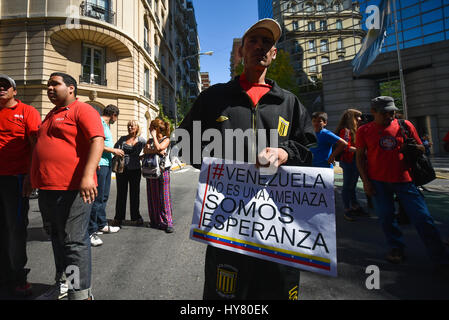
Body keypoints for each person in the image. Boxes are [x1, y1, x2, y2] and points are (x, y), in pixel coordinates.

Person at [179, 19, 316, 300]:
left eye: (267, 42)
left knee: (277, 291)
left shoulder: (289, 102)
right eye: (253, 41)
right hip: (227, 223)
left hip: (278, 224)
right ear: (242, 52)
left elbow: (309, 149)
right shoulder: (214, 97)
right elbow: (184, 145)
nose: (260, 47)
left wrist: (286, 152)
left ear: (274, 54)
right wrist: (220, 165)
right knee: (227, 295)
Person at [31, 72, 105, 300]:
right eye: (48, 85)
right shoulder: (51, 115)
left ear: (71, 88)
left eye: (55, 84)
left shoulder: (82, 110)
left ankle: (79, 293)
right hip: (47, 189)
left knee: (74, 242)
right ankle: (63, 283)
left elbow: (97, 140)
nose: (49, 88)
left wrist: (87, 175)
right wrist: (30, 178)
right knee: (57, 238)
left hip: (73, 189)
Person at [356, 96, 449, 269]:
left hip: (405, 181)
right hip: (378, 183)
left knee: (423, 218)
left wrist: (415, 147)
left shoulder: (405, 125)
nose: (390, 116)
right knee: (386, 218)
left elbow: (422, 148)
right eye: (385, 113)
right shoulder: (364, 131)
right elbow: (360, 157)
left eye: (392, 112)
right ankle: (396, 247)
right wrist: (366, 182)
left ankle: (440, 256)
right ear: (373, 112)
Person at [0, 74, 41, 297]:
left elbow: (36, 145)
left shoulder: (27, 112)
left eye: (6, 86)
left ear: (15, 91)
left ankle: (18, 276)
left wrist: (30, 176)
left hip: (15, 179)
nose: (1, 89)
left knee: (15, 229)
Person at [88, 104, 123, 247]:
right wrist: (113, 150)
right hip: (100, 163)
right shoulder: (100, 122)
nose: (116, 119)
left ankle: (101, 224)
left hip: (107, 163)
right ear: (113, 115)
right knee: (97, 197)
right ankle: (92, 228)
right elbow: (96, 143)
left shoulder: (106, 125)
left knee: (103, 196)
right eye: (116, 117)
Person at [335, 108, 367, 221]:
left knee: (352, 185)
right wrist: (361, 150)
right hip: (348, 161)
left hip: (355, 160)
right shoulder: (346, 131)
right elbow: (346, 147)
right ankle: (347, 208)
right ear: (351, 118)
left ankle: (354, 205)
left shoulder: (356, 130)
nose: (360, 119)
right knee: (348, 186)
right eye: (357, 116)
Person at [112, 120, 146, 227]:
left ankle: (136, 217)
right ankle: (118, 218)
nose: (130, 127)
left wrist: (143, 157)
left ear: (137, 127)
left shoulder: (142, 140)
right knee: (121, 193)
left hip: (135, 169)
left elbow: (147, 151)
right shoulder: (122, 139)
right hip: (122, 169)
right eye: (129, 126)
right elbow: (115, 148)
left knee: (134, 193)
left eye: (132, 126)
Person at [144, 118, 174, 233]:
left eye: (151, 127)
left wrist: (155, 145)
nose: (149, 129)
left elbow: (158, 147)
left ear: (156, 128)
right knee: (152, 196)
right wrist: (157, 151)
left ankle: (167, 222)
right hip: (151, 170)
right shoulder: (150, 140)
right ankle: (155, 221)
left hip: (163, 170)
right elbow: (145, 151)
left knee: (164, 197)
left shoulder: (166, 139)